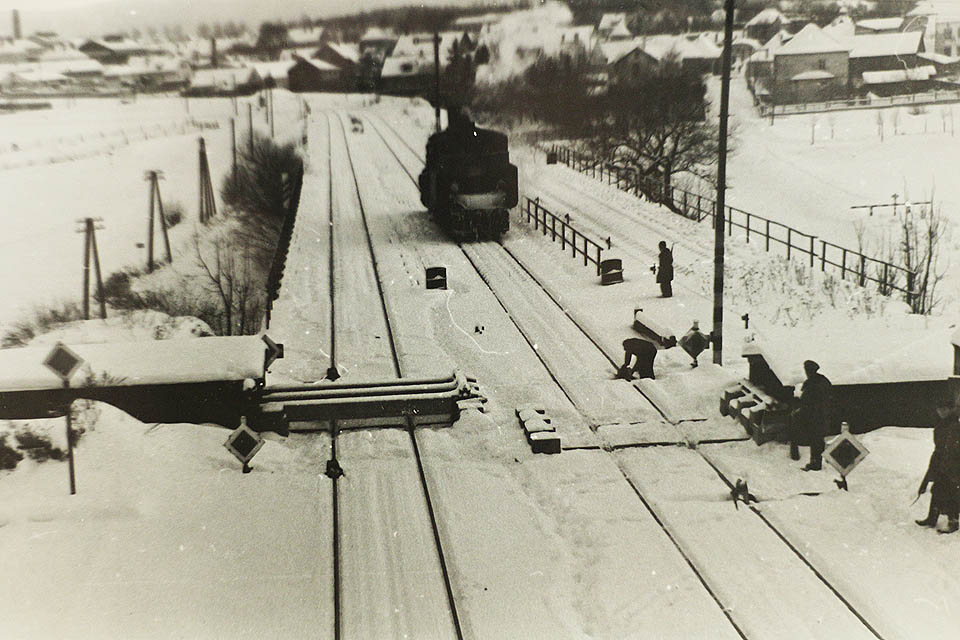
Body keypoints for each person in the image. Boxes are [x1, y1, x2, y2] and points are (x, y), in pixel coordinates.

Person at [916, 402, 960, 533]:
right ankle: (932, 518)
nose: (940, 412)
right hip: (941, 462)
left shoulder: (956, 424)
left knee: (952, 493)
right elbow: (939, 448)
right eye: (939, 409)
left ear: (950, 410)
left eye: (944, 409)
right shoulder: (941, 425)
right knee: (937, 490)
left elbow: (954, 448)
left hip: (954, 464)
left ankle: (953, 522)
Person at [790, 360, 833, 471]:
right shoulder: (822, 381)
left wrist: (799, 411)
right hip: (822, 416)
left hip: (816, 417)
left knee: (816, 440)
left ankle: (816, 464)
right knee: (818, 440)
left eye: (807, 370)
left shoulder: (813, 384)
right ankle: (816, 462)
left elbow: (808, 402)